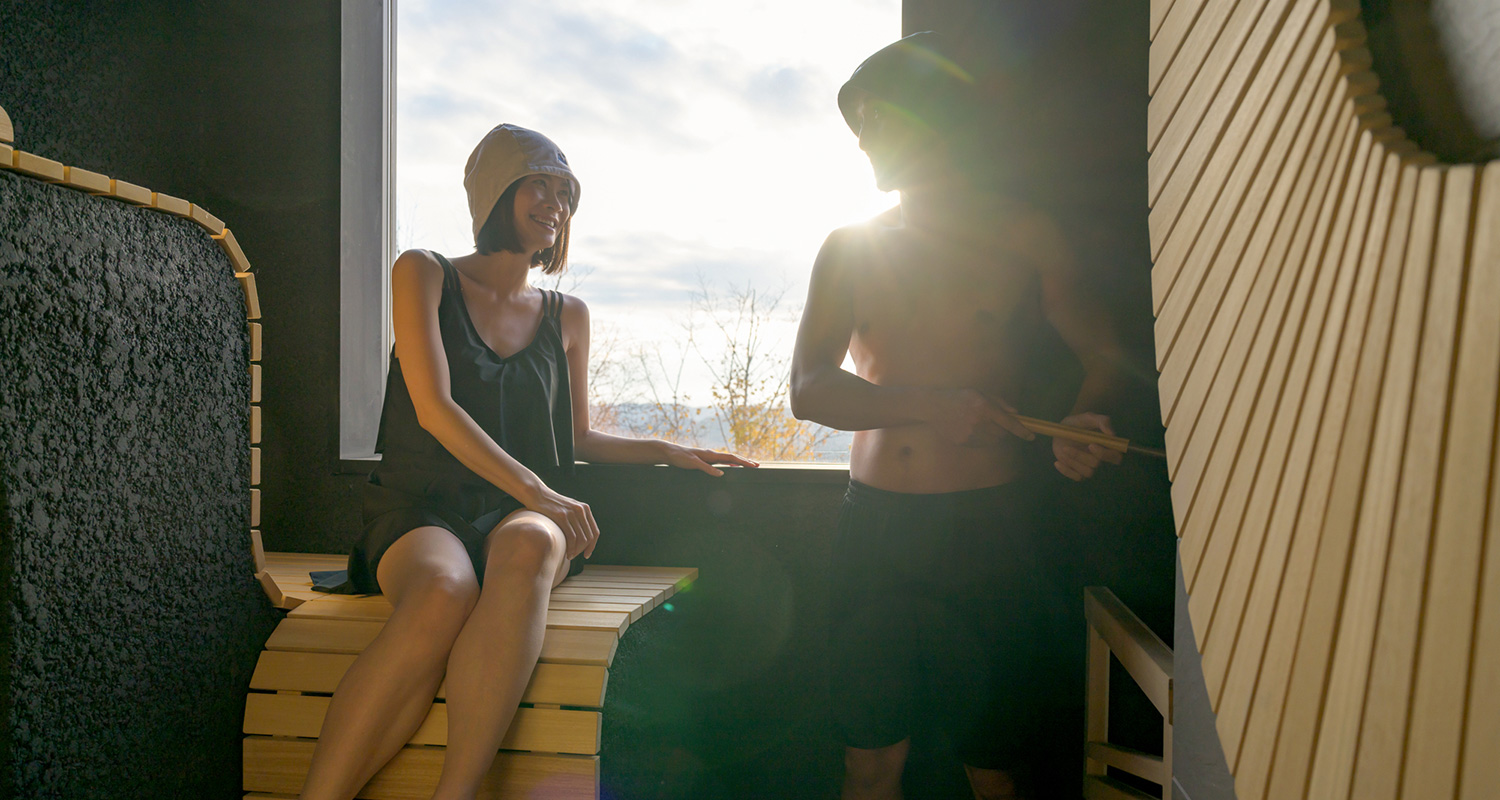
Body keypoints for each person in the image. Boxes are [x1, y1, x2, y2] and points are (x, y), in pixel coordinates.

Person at [298, 124, 755, 800]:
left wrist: (666, 448)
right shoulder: (422, 272)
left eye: (565, 193)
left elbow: (577, 437)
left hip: (520, 514)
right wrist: (543, 492)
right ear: (495, 190)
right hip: (421, 504)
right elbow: (434, 408)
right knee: (445, 590)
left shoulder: (568, 315)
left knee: (531, 545)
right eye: (538, 184)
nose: (555, 204)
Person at [789, 34, 1124, 800]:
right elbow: (808, 389)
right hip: (874, 533)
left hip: (990, 531)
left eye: (876, 117)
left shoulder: (1023, 234)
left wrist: (1088, 418)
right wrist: (933, 407)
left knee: (995, 767)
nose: (863, 137)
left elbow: (1104, 353)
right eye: (858, 123)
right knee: (869, 760)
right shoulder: (849, 246)